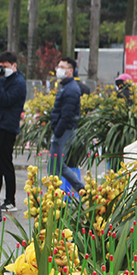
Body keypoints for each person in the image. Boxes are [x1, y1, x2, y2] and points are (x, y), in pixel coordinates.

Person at [0, 50, 26, 212]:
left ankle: (10, 200)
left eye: (4, 66)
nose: (1, 69)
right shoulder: (3, 79)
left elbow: (6, 100)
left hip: (7, 127)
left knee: (5, 164)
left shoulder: (19, 82)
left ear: (14, 65)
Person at [49, 56, 84, 193]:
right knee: (58, 166)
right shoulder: (65, 86)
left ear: (70, 71)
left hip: (64, 131)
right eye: (58, 67)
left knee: (55, 166)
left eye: (62, 67)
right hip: (62, 130)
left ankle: (55, 195)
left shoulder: (71, 89)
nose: (59, 70)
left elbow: (67, 115)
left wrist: (57, 132)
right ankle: (80, 188)